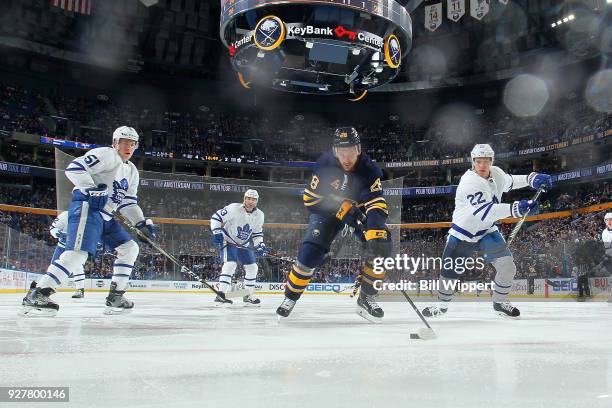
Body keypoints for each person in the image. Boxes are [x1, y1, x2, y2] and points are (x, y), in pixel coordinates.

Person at [21, 126, 156, 316]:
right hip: (88, 208)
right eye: (124, 142)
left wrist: (140, 223)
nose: (128, 146)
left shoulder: (132, 170)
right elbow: (74, 168)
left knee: (129, 248)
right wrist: (91, 188)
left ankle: (115, 296)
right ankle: (39, 292)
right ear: (115, 143)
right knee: (78, 254)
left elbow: (128, 203)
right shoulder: (107, 155)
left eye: (132, 143)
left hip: (106, 215)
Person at [422, 144, 552, 318]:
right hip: (463, 234)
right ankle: (442, 305)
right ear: (473, 162)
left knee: (507, 266)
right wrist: (517, 208)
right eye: (478, 161)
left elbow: (510, 182)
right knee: (450, 273)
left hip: (486, 231)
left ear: (492, 161)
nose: (482, 165)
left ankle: (500, 302)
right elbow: (486, 212)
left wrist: (531, 178)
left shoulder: (496, 172)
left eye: (486, 161)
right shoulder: (469, 182)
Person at [276, 127, 392, 322]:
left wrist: (375, 231)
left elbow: (377, 204)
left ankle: (367, 297)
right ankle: (290, 298)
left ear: (358, 149)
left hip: (358, 211)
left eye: (350, 152)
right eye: (341, 152)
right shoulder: (324, 165)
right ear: (335, 151)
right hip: (327, 212)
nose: (346, 158)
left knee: (382, 244)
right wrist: (341, 208)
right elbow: (310, 200)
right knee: (310, 252)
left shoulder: (369, 169)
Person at [210, 189, 266, 306]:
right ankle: (221, 295)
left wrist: (260, 245)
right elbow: (216, 217)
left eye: (253, 199)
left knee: (252, 267)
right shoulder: (233, 208)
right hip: (228, 241)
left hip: (243, 245)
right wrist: (216, 232)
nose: (251, 201)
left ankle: (248, 295)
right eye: (248, 198)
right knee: (230, 264)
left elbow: (257, 233)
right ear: (244, 199)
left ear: (257, 201)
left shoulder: (260, 215)